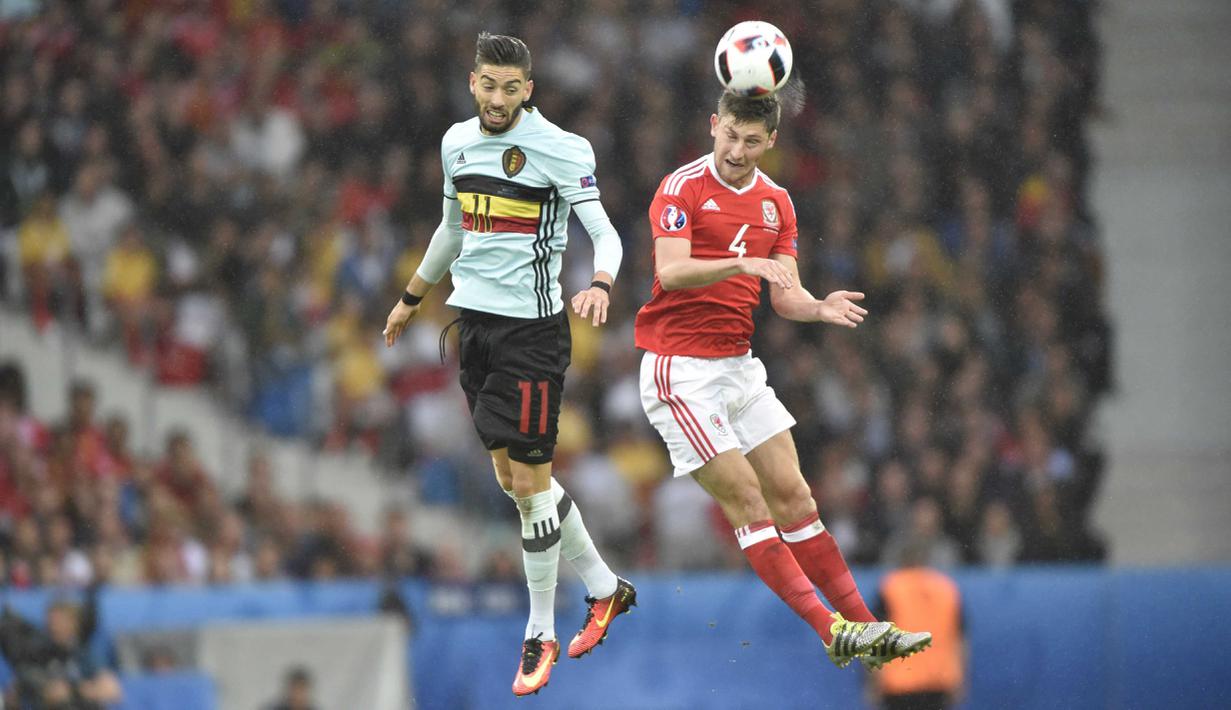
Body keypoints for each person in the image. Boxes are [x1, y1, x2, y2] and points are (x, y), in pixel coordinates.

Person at [633, 90, 931, 669]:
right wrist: (739, 262)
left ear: (771, 141)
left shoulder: (776, 202)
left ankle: (869, 629)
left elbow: (785, 294)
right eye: (730, 136)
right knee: (749, 498)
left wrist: (817, 306)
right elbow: (670, 271)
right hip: (679, 368)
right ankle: (830, 629)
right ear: (713, 124)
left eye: (751, 141)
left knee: (795, 496)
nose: (737, 151)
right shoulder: (681, 187)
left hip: (738, 366)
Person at [383, 33, 635, 696]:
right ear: (474, 83)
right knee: (514, 482)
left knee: (530, 488)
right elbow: (451, 229)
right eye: (488, 85)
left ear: (528, 89)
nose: (498, 98)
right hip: (475, 330)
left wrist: (600, 283)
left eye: (510, 87)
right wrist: (411, 297)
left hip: (533, 335)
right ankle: (604, 586)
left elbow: (606, 234)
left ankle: (539, 631)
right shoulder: (456, 143)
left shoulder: (561, 148)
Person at [868, 541, 966, 709]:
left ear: (902, 560)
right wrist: (960, 679)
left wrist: (873, 682)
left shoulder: (890, 587)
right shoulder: (946, 588)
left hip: (899, 683)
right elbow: (959, 640)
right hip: (939, 682)